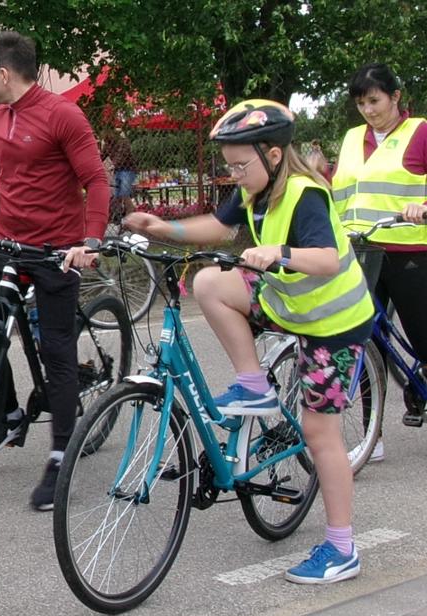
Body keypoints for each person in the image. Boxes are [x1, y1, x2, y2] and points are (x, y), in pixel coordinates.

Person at [125, 100, 374, 585]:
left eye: (241, 164)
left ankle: (343, 548)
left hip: (333, 323)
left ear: (274, 155)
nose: (234, 174)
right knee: (211, 283)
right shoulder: (255, 189)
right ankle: (253, 382)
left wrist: (279, 252)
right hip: (289, 303)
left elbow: (326, 260)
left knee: (320, 432)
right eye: (229, 166)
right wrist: (163, 228)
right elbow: (217, 228)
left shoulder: (304, 195)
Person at [0, 30, 111, 510]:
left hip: (57, 252)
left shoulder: (62, 116)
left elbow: (95, 180)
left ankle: (59, 454)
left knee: (57, 352)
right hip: (9, 244)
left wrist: (90, 242)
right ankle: (6, 413)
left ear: (4, 73)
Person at [332, 63, 427, 473]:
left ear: (395, 97)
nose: (368, 110)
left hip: (407, 251)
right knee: (366, 345)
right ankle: (371, 435)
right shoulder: (349, 140)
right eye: (361, 103)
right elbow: (340, 193)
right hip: (361, 251)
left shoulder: (422, 134)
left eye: (375, 101)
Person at [105, 130, 139, 217]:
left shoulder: (123, 142)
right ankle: (125, 213)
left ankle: (130, 211)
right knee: (119, 194)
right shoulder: (107, 144)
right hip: (118, 170)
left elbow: (122, 154)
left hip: (128, 169)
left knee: (123, 192)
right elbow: (102, 155)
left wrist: (114, 165)